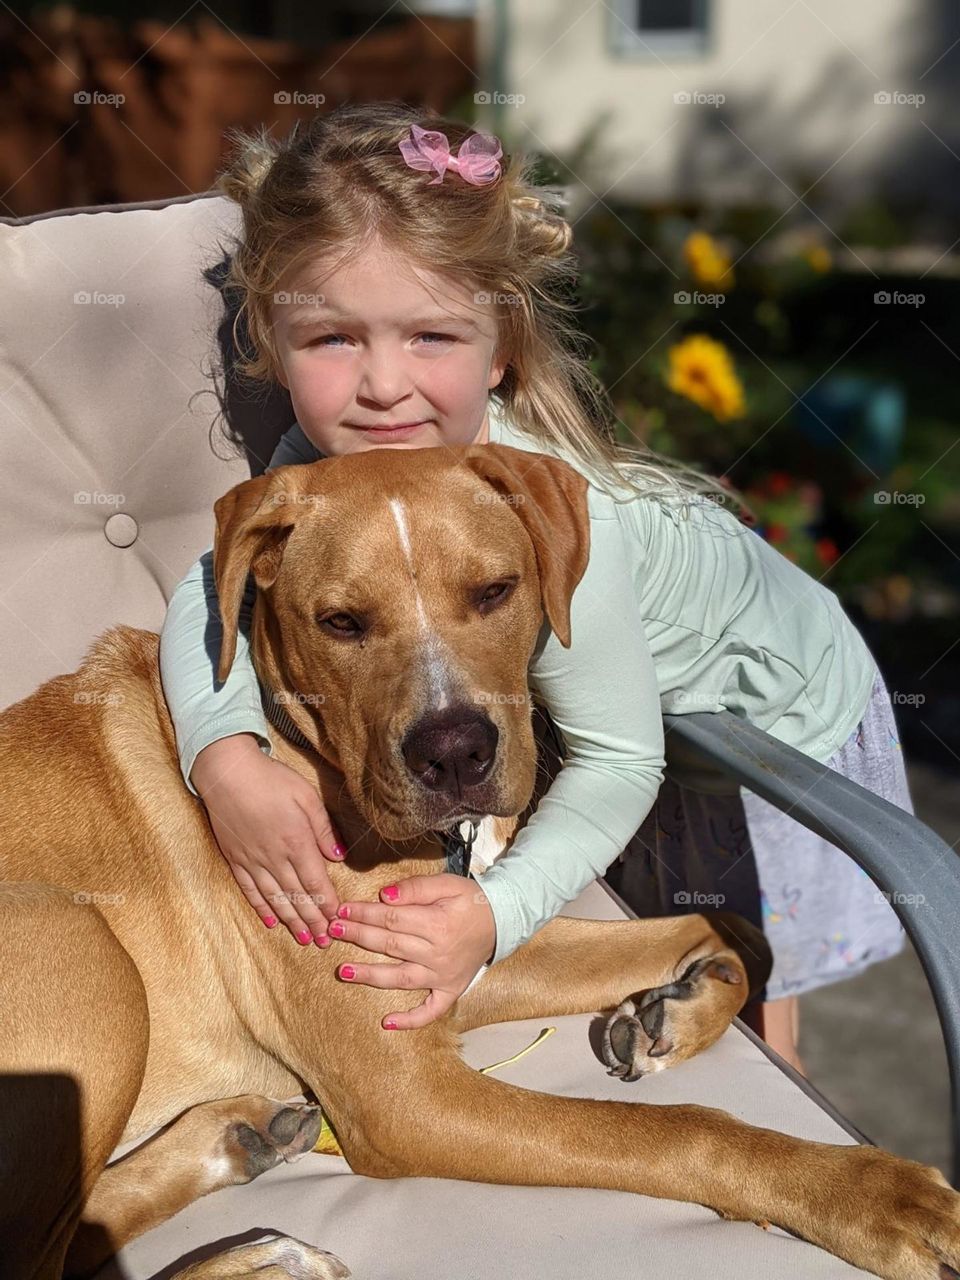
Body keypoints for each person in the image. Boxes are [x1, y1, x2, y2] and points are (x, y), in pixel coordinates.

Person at [159, 102, 909, 1068]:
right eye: (334, 340)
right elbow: (209, 587)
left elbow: (622, 762)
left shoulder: (545, 502)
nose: (384, 385)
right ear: (270, 338)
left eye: (431, 336)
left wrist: (494, 917)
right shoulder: (324, 468)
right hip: (637, 714)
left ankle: (793, 1164)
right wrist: (223, 758)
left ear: (501, 345)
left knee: (759, 1014)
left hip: (766, 719)